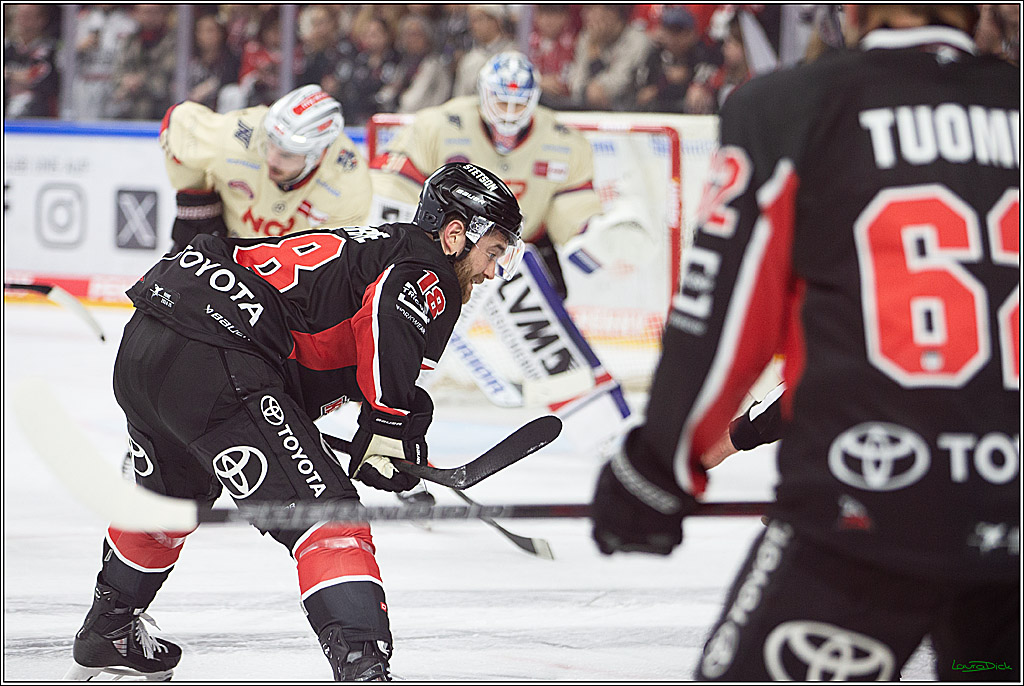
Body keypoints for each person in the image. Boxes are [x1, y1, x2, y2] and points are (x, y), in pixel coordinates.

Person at [592, 4, 1019, 681]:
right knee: (987, 668)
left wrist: (657, 469)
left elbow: (727, 314)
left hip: (869, 521)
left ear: (849, 11)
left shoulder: (794, 104)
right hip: (1011, 544)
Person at [64, 162, 526, 681]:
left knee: (168, 500)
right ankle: (363, 667)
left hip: (151, 337)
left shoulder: (381, 246)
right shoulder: (427, 266)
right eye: (492, 254)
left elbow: (340, 347)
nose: (491, 273)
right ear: (456, 234)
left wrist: (395, 432)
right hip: (219, 350)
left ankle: (111, 627)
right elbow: (389, 315)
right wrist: (389, 425)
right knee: (327, 518)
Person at [367, 51, 606, 299]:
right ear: (484, 93)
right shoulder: (438, 125)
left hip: (527, 247)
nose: (509, 113)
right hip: (455, 242)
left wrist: (596, 234)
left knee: (554, 308)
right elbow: (393, 184)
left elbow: (571, 209)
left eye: (520, 103)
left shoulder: (564, 140)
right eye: (502, 101)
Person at [160, 84, 372, 244]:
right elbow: (178, 121)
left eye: (287, 155)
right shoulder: (239, 139)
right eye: (270, 144)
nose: (271, 159)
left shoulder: (348, 188)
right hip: (229, 242)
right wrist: (198, 198)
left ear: (317, 155)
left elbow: (335, 263)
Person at [566, 4, 653, 110]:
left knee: (594, 93)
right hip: (592, 110)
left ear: (612, 13)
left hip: (632, 111)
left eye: (590, 9)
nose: (584, 14)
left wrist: (594, 57)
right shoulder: (587, 38)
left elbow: (618, 85)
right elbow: (576, 85)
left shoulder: (637, 41)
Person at [107, 4, 177, 120]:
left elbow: (167, 76)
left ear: (163, 14)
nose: (149, 17)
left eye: (154, 12)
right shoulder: (130, 41)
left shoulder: (173, 42)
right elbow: (118, 72)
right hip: (129, 110)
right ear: (136, 14)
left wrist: (141, 80)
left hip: (161, 110)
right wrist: (125, 81)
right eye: (144, 12)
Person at [3, 3, 60, 118]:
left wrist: (8, 74)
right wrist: (22, 76)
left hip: (38, 118)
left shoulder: (50, 51)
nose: (22, 21)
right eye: (19, 16)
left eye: (27, 16)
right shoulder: (7, 48)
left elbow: (40, 80)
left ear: (41, 20)